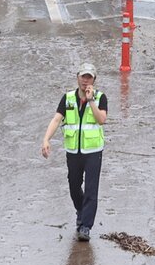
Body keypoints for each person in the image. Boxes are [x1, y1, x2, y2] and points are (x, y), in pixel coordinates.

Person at [41, 63, 108, 242]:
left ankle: (85, 227)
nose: (86, 80)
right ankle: (80, 210)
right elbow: (57, 119)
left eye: (89, 77)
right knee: (73, 184)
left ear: (94, 79)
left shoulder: (100, 97)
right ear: (77, 77)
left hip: (93, 150)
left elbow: (101, 120)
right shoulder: (68, 98)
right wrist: (46, 139)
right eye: (83, 77)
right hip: (73, 151)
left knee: (91, 189)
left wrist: (91, 100)